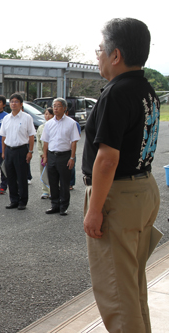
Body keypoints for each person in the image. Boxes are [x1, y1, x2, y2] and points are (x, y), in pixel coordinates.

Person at [82, 18, 160, 333]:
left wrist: (94, 209)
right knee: (131, 285)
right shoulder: (145, 88)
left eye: (100, 50)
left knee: (116, 292)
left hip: (118, 197)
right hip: (143, 190)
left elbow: (106, 160)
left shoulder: (116, 93)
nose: (97, 56)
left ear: (116, 55)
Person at [41, 98, 80, 216]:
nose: (56, 108)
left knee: (64, 183)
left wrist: (72, 158)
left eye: (58, 106)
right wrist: (45, 156)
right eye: (54, 106)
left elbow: (74, 142)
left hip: (65, 155)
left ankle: (63, 206)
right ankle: (54, 205)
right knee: (53, 182)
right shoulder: (49, 124)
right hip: (52, 155)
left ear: (64, 108)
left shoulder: (71, 123)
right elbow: (45, 141)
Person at [0, 93, 36, 210]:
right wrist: (3, 152)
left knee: (21, 177)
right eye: (11, 102)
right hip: (9, 150)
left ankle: (22, 201)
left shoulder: (27, 118)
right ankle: (13, 200)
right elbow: (3, 137)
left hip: (21, 150)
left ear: (21, 104)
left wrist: (30, 151)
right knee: (10, 177)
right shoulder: (6, 118)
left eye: (16, 101)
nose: (13, 104)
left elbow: (31, 136)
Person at [36, 108, 54, 199]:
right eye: (46, 114)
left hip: (52, 153)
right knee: (43, 172)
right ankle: (45, 190)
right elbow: (39, 141)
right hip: (43, 154)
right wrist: (41, 153)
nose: (47, 116)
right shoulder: (41, 127)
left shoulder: (55, 126)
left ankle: (53, 190)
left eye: (49, 114)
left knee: (52, 172)